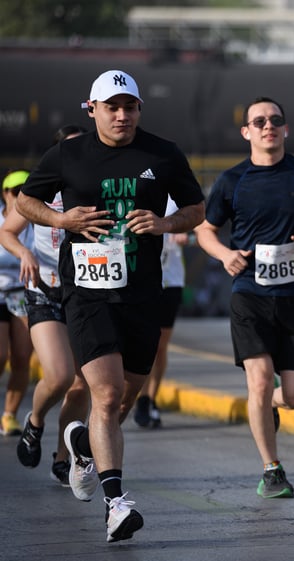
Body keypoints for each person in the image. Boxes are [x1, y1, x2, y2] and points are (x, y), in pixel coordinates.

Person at [17, 70, 205, 543]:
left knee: (123, 399)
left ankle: (83, 449)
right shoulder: (68, 153)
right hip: (86, 291)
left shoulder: (162, 153)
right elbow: (24, 201)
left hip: (143, 292)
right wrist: (61, 217)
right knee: (104, 393)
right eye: (112, 107)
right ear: (92, 109)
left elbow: (196, 210)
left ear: (140, 109)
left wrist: (163, 224)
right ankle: (116, 505)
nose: (122, 116)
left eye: (130, 107)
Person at [195, 96, 294, 499]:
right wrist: (226, 255)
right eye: (258, 121)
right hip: (250, 295)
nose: (267, 126)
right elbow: (206, 230)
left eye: (275, 120)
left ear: (286, 129)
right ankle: (272, 470)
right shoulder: (231, 180)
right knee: (257, 381)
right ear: (246, 132)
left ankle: (268, 402)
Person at [1, 125, 92, 487]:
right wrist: (25, 253)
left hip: (85, 293)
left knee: (82, 384)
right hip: (45, 290)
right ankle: (34, 420)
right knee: (57, 375)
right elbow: (7, 231)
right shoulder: (41, 188)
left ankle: (63, 456)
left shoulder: (97, 186)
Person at [134, 196, 188, 429]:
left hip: (170, 280)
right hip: (141, 280)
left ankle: (148, 399)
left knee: (160, 346)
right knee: (142, 343)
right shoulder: (138, 188)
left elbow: (194, 218)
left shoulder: (176, 196)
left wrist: (185, 230)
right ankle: (137, 394)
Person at [0, 170, 34, 437]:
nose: (20, 195)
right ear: (5, 193)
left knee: (22, 358)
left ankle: (9, 414)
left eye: (26, 190)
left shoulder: (36, 223)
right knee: (0, 356)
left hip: (24, 292)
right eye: (15, 190)